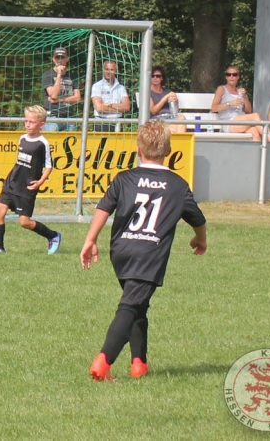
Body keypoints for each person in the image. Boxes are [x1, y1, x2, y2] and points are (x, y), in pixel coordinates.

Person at [80, 120, 207, 381]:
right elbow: (198, 218)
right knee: (129, 306)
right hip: (149, 254)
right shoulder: (177, 185)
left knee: (138, 304)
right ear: (169, 151)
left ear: (138, 150)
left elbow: (103, 208)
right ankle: (103, 362)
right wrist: (200, 239)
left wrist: (90, 240)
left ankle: (139, 363)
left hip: (122, 250)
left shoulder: (124, 178)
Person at [0, 105, 61, 256]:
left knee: (24, 222)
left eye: (32, 122)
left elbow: (49, 166)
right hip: (12, 182)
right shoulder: (22, 138)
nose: (28, 125)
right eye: (26, 121)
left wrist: (40, 182)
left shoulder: (42, 143)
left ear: (41, 124)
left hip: (27, 188)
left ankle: (53, 236)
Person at [211, 65, 270, 142]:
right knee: (256, 116)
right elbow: (214, 108)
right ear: (226, 77)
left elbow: (249, 111)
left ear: (238, 77)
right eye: (228, 74)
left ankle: (257, 150)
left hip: (241, 120)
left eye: (234, 75)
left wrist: (245, 97)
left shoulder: (240, 92)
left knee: (255, 132)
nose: (231, 77)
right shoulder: (221, 89)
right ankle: (269, 137)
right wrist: (229, 103)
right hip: (228, 122)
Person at [42, 46, 81, 131]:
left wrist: (60, 100)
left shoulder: (72, 76)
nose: (59, 60)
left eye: (62, 57)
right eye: (57, 58)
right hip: (52, 116)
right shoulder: (47, 75)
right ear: (53, 59)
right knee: (51, 139)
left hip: (69, 116)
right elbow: (53, 96)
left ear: (67, 59)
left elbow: (77, 98)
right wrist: (59, 74)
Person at [90, 60, 130, 131]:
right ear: (103, 70)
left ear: (116, 71)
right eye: (107, 69)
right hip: (101, 122)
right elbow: (99, 108)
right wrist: (119, 108)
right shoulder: (97, 86)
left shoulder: (121, 88)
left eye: (111, 70)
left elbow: (126, 107)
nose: (108, 72)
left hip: (117, 123)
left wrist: (110, 105)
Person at [147, 66, 185, 134]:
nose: (155, 78)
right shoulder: (148, 92)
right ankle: (178, 140)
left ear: (162, 78)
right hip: (157, 120)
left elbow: (176, 111)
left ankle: (177, 139)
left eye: (158, 76)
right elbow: (153, 111)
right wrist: (165, 98)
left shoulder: (167, 91)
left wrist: (176, 101)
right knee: (175, 128)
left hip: (171, 117)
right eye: (152, 76)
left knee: (181, 118)